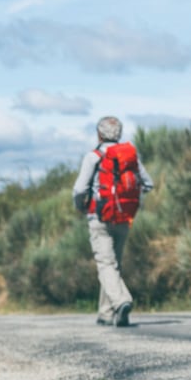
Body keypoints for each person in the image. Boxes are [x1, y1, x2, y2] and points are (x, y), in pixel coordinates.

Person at [72, 116, 154, 327]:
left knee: (106, 264)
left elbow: (79, 189)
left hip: (100, 217)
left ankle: (121, 301)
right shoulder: (130, 157)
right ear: (119, 134)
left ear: (99, 134)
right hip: (124, 217)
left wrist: (81, 205)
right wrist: (129, 199)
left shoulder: (94, 156)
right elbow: (148, 183)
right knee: (113, 265)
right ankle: (106, 313)